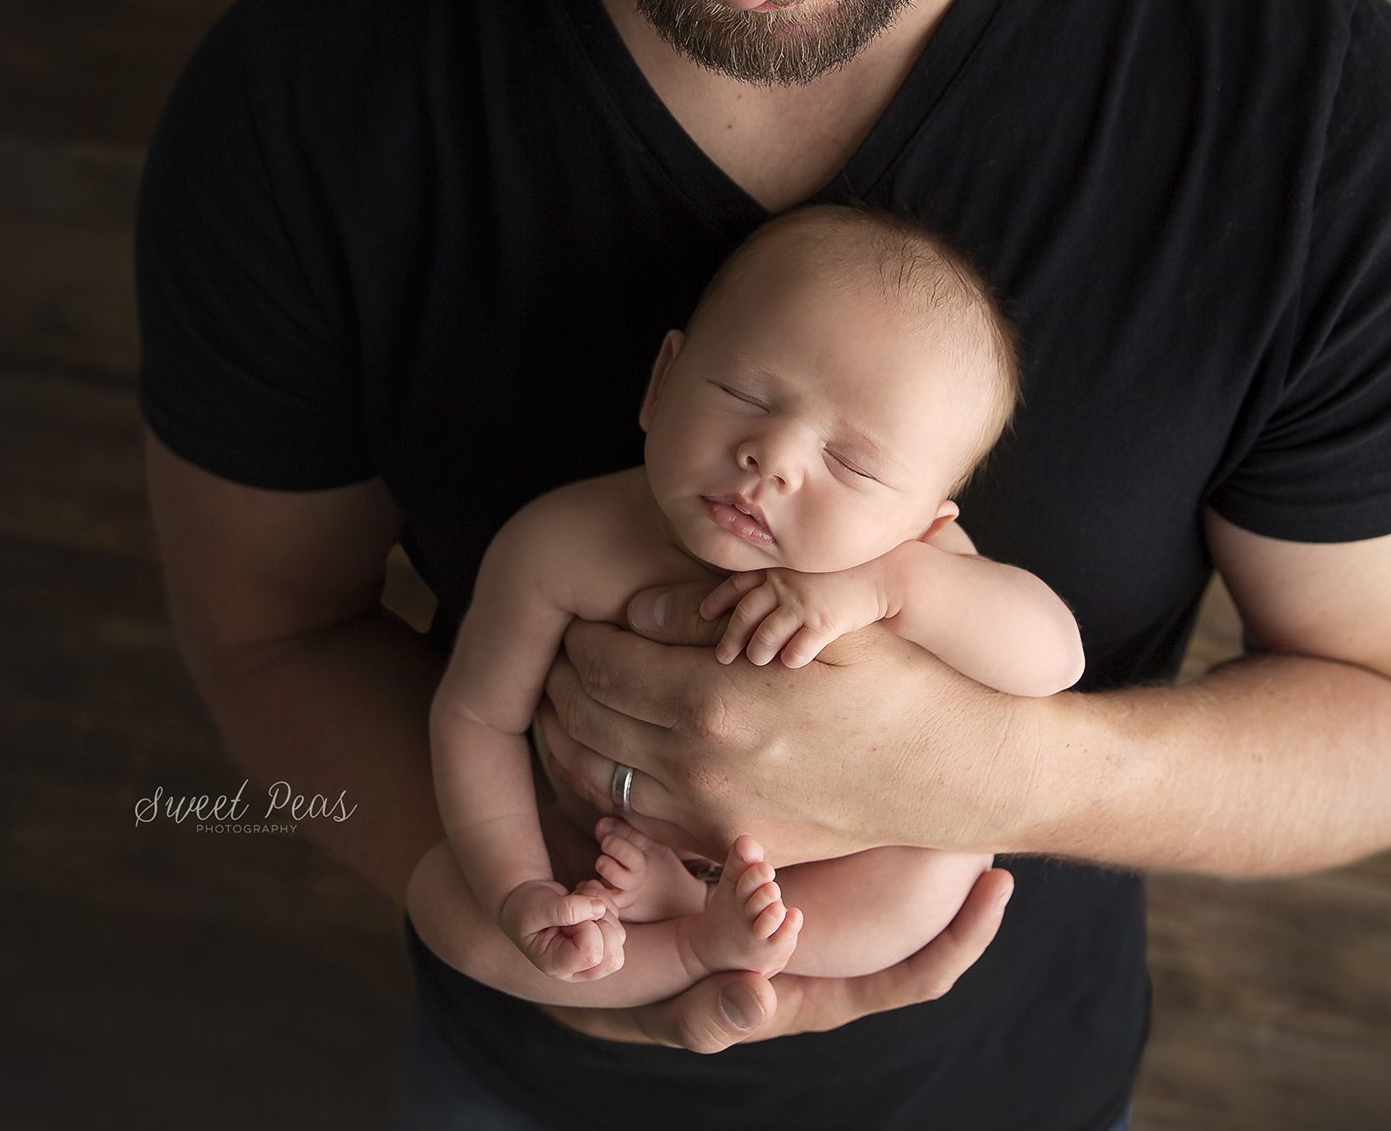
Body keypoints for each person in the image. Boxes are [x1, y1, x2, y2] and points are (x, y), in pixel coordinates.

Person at [134, 0, 1391, 1131]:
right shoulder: (307, 93)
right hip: (517, 1090)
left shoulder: (1321, 126)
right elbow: (266, 642)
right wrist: (538, 910)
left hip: (1009, 1102)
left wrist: (989, 774)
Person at [414, 204, 1084, 1007]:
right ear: (662, 383)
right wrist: (519, 886)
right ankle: (685, 938)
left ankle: (714, 932)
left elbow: (1055, 660)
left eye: (853, 464)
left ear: (929, 519)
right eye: (744, 394)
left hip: (830, 891)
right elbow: (477, 719)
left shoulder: (906, 563)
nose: (775, 458)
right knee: (452, 915)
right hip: (610, 845)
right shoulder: (562, 543)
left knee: (940, 868)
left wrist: (890, 589)